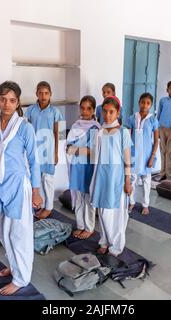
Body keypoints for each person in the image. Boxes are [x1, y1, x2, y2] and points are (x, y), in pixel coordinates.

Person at [0, 81, 43, 295]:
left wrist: (36, 190)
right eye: (3, 99)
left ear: (18, 103)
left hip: (17, 187)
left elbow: (34, 161)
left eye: (12, 100)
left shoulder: (25, 127)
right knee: (3, 232)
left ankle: (21, 278)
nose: (7, 104)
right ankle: (14, 266)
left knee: (19, 234)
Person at [91, 96, 132, 257]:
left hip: (116, 178)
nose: (107, 115)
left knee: (115, 213)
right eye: (105, 112)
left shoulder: (123, 132)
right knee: (102, 211)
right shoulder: (100, 131)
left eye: (111, 112)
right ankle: (104, 240)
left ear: (118, 113)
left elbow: (127, 158)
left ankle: (116, 246)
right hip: (101, 176)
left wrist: (128, 180)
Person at [25, 81, 63, 220]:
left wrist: (56, 153)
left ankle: (49, 207)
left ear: (50, 94)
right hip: (33, 150)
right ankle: (37, 204)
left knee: (48, 179)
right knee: (34, 178)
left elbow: (58, 132)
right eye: (40, 93)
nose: (43, 95)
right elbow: (26, 130)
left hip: (48, 150)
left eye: (46, 93)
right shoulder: (30, 110)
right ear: (36, 94)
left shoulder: (55, 112)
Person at [66, 96, 101, 240]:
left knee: (88, 198)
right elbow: (67, 146)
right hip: (76, 167)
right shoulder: (75, 125)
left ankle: (89, 227)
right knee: (78, 197)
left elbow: (93, 151)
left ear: (93, 110)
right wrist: (74, 149)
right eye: (82, 108)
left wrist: (75, 150)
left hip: (88, 168)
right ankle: (80, 225)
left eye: (88, 108)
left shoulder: (95, 128)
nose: (85, 111)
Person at [125, 93, 159, 215]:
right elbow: (127, 139)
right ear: (139, 102)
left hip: (146, 156)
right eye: (143, 102)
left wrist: (152, 157)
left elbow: (156, 141)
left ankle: (145, 204)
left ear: (151, 105)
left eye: (148, 103)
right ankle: (131, 201)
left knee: (146, 181)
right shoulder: (131, 118)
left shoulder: (153, 120)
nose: (145, 105)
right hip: (134, 155)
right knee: (132, 179)